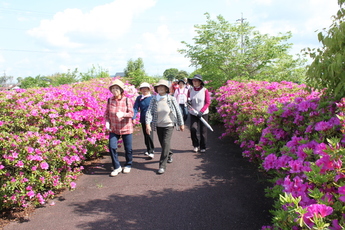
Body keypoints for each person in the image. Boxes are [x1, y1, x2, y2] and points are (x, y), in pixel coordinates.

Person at [146, 79, 184, 174]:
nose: (160, 88)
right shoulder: (154, 99)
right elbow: (149, 112)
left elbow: (178, 111)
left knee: (166, 142)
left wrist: (181, 123)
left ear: (167, 89)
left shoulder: (171, 99)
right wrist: (147, 124)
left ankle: (162, 165)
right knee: (163, 144)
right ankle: (169, 154)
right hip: (158, 125)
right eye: (159, 87)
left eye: (163, 86)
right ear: (156, 89)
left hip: (169, 124)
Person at [105, 79, 134, 176]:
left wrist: (123, 114)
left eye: (117, 88)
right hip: (114, 128)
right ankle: (117, 167)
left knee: (128, 148)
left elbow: (131, 113)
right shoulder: (110, 100)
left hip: (126, 128)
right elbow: (107, 114)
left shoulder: (127, 100)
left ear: (121, 90)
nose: (114, 90)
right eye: (113, 88)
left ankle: (128, 164)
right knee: (112, 147)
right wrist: (107, 122)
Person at [187, 74, 211, 153]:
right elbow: (188, 100)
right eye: (193, 81)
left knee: (203, 131)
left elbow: (208, 102)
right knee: (193, 129)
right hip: (193, 112)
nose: (194, 82)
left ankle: (203, 146)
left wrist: (201, 111)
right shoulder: (190, 90)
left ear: (200, 82)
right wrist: (188, 103)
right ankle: (195, 145)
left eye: (196, 81)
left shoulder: (204, 90)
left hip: (203, 113)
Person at [132, 82, 155, 159]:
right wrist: (134, 117)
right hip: (143, 118)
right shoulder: (139, 98)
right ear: (140, 90)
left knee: (149, 134)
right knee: (145, 135)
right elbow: (135, 108)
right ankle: (148, 149)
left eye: (146, 88)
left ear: (149, 89)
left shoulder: (152, 97)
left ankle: (151, 151)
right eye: (142, 88)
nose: (144, 90)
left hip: (151, 119)